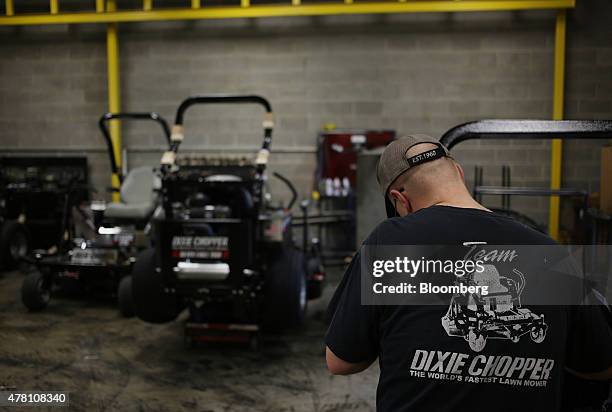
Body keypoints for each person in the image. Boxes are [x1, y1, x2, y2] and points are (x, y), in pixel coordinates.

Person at [324, 135, 612, 412]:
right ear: (459, 173)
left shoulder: (390, 241)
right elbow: (601, 367)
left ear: (401, 201)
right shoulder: (550, 251)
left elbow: (341, 361)